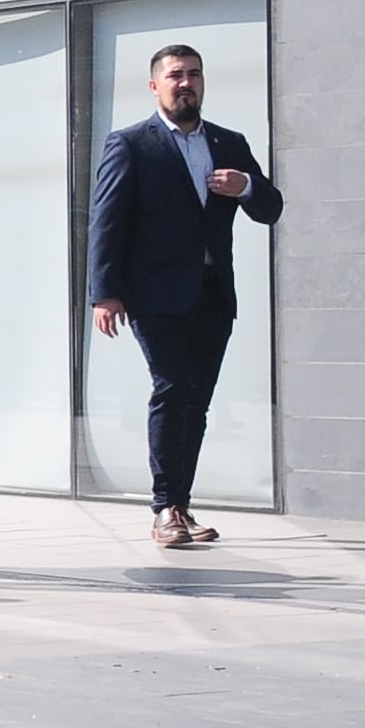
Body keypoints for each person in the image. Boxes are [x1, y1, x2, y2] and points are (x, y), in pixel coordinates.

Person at [88, 44, 284, 547]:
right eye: (175, 75)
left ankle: (181, 504)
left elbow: (270, 206)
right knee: (173, 388)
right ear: (155, 85)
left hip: (214, 294)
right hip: (154, 296)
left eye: (194, 74)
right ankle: (164, 508)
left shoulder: (228, 142)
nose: (186, 83)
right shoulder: (130, 143)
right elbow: (107, 222)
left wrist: (244, 187)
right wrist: (104, 293)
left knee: (196, 403)